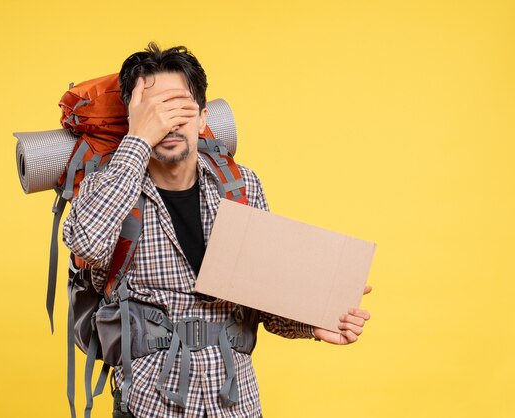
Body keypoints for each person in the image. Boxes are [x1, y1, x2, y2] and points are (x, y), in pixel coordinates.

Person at [62, 42, 371, 418]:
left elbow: (265, 301)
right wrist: (139, 140)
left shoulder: (240, 187)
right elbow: (87, 244)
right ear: (135, 119)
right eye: (156, 111)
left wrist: (317, 322)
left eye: (180, 108)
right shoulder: (105, 188)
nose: (170, 123)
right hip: (148, 407)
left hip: (236, 406)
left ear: (203, 116)